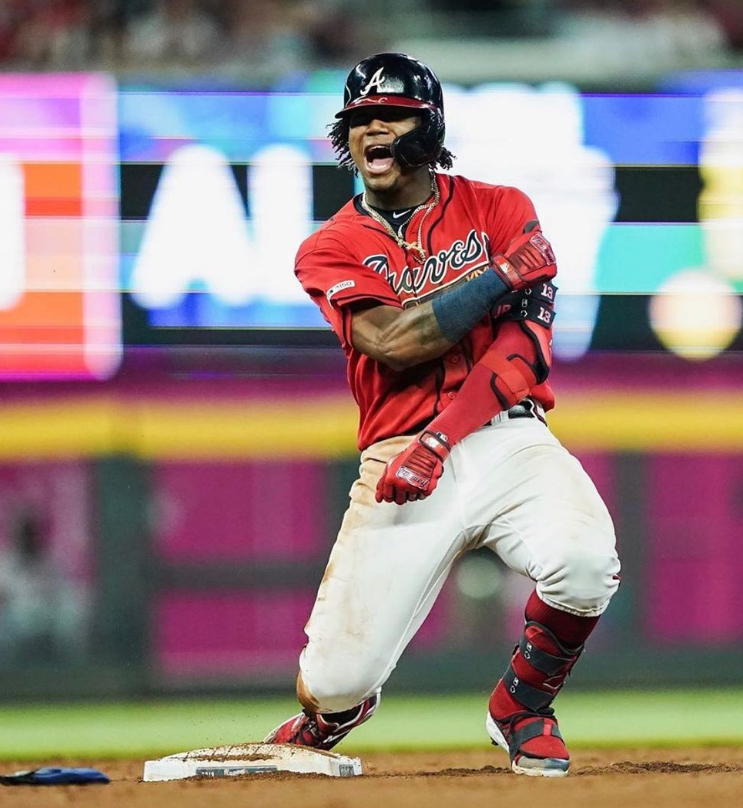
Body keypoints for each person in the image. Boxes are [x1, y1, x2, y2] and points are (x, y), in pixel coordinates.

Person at [264, 52, 620, 777]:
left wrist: (439, 439)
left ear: (429, 128)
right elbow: (394, 343)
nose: (372, 133)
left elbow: (522, 353)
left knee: (585, 564)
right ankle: (335, 712)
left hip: (506, 435)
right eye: (359, 121)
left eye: (390, 116)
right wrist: (498, 275)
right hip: (395, 456)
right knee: (333, 680)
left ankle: (522, 704)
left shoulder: (500, 206)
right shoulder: (327, 246)